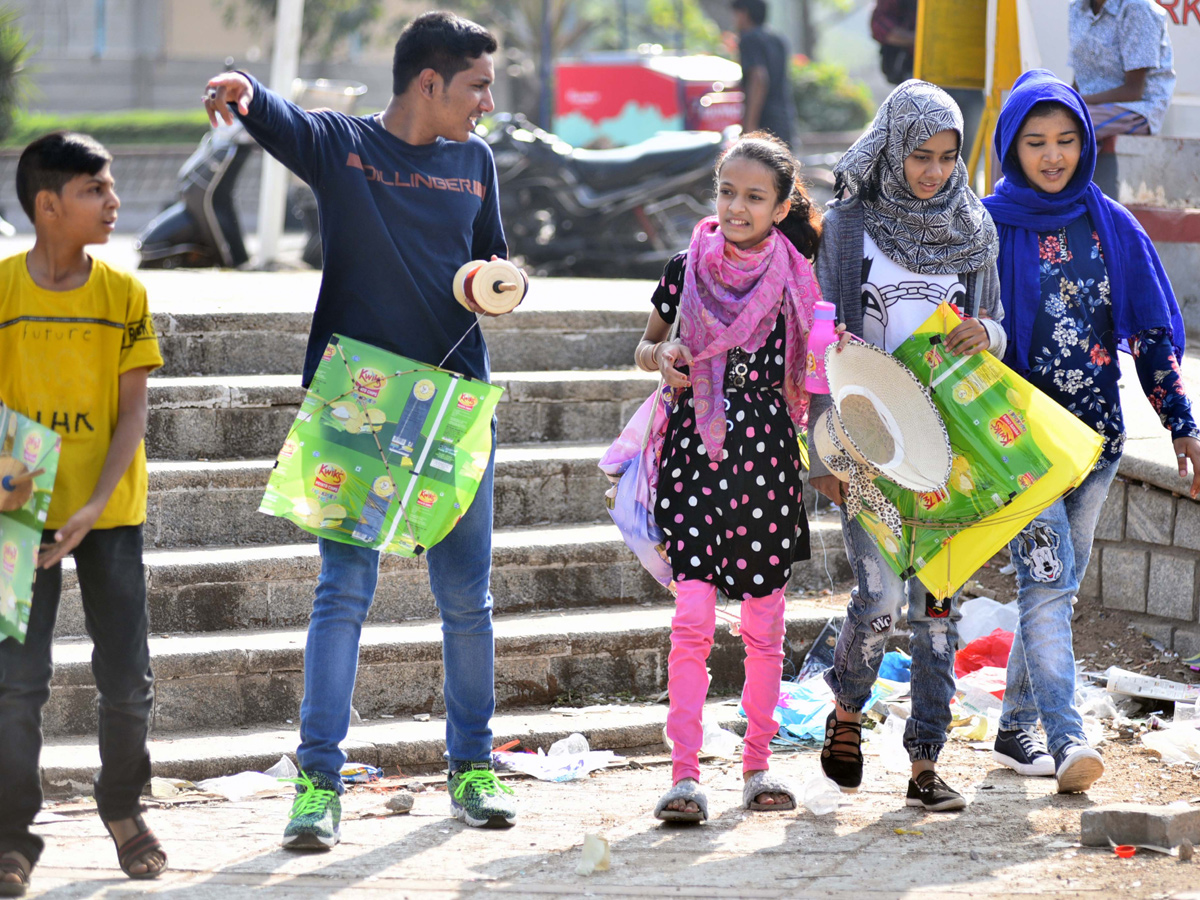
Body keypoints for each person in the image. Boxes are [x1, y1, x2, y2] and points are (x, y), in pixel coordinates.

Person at [202, 11, 520, 849]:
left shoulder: (476, 160)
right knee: (343, 593)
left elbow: (493, 258)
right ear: (429, 82)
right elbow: (278, 118)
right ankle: (316, 785)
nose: (488, 102)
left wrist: (501, 279)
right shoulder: (344, 148)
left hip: (453, 402)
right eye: (478, 85)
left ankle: (474, 769)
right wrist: (242, 90)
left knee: (467, 601)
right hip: (357, 402)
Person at [982, 69, 1200, 793]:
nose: (1053, 156)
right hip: (1017, 447)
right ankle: (1068, 735)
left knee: (1056, 590)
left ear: (1085, 142)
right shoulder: (987, 227)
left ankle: (1014, 731)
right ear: (1012, 146)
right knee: (1045, 587)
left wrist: (1181, 427)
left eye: (1067, 140)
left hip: (1098, 443)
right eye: (1036, 142)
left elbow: (1151, 336)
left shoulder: (1111, 224)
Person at [807, 80, 1004, 812]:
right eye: (920, 155)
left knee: (939, 608)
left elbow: (996, 328)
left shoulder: (974, 231)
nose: (933, 171)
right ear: (892, 147)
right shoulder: (849, 226)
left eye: (948, 157)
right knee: (880, 596)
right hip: (864, 444)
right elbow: (821, 340)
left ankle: (926, 760)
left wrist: (991, 334)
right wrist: (823, 449)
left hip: (952, 448)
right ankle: (848, 712)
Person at [636, 132, 822, 822]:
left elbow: (815, 370)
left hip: (767, 464)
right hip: (692, 456)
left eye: (753, 197)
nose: (736, 208)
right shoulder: (685, 267)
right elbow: (644, 345)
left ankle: (758, 767)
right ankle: (683, 776)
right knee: (691, 621)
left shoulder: (798, 276)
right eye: (726, 192)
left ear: (780, 207)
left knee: (763, 628)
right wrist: (663, 355)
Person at [0, 132, 167, 895]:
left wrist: (96, 504)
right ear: (47, 205)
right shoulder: (2, 292)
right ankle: (10, 833)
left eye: (111, 188)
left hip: (111, 515)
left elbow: (133, 414)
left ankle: (124, 807)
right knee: (15, 684)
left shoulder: (124, 296)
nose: (113, 202)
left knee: (126, 679)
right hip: (13, 520)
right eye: (96, 190)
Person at [1069, 0, 1176, 139]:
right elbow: (1081, 77)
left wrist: (1077, 101)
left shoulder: (1138, 8)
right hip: (1090, 106)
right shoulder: (1077, 7)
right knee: (1043, 118)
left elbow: (1134, 91)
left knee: (1065, 127)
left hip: (1136, 108)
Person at [731, 0, 796, 148]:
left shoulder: (749, 39)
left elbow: (758, 78)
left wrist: (750, 125)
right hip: (783, 119)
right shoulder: (777, 39)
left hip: (764, 122)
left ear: (744, 13)